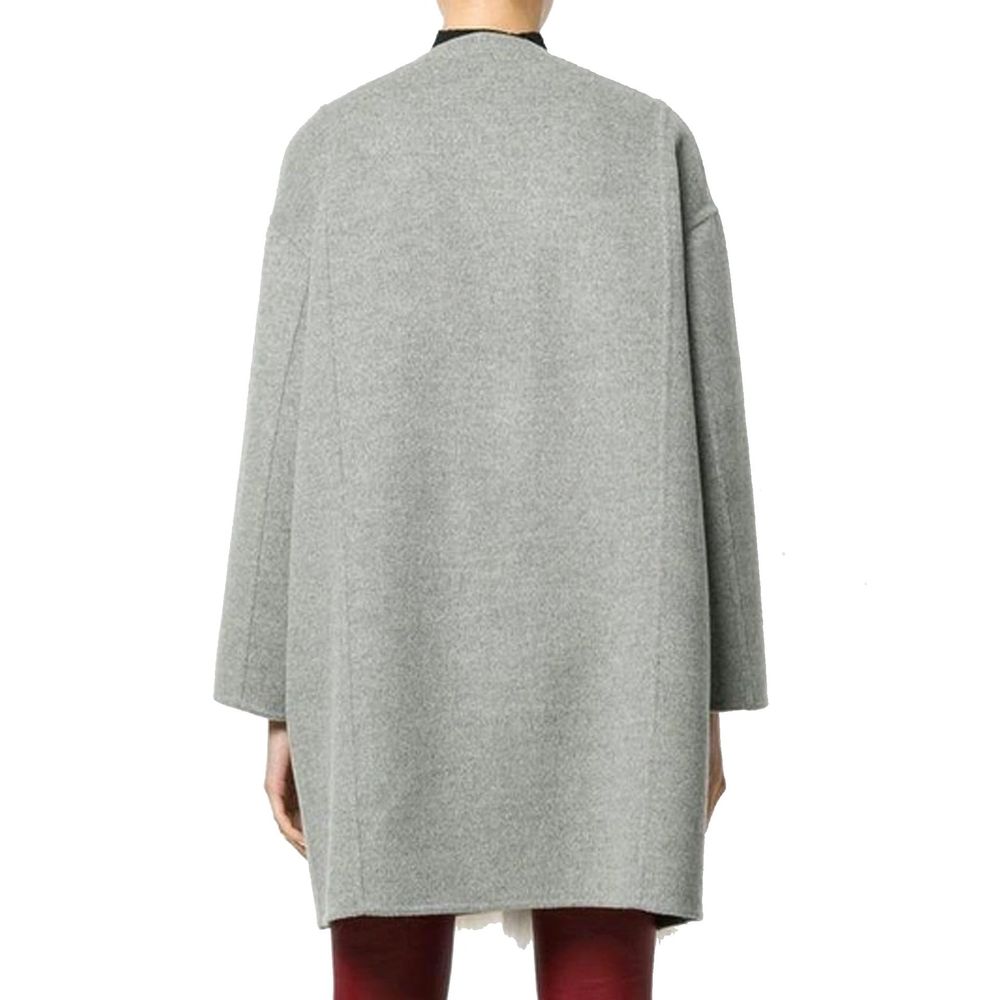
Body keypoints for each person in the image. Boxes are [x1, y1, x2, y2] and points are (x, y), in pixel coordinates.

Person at [213, 1, 769, 996]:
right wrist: (710, 696)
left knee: (382, 957)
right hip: (618, 666)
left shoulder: (335, 146)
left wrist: (278, 697)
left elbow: (279, 431)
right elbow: (714, 441)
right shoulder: (646, 140)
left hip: (383, 653)